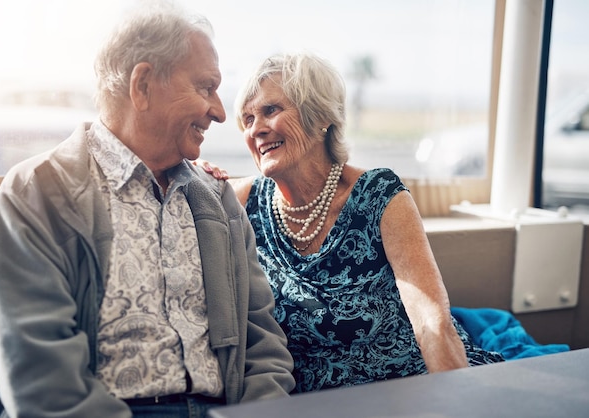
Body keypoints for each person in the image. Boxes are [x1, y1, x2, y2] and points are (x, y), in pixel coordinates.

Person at [0, 3, 295, 418]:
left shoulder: (219, 201)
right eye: (205, 87)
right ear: (142, 85)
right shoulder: (37, 194)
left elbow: (263, 348)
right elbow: (42, 382)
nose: (218, 110)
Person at [202, 52, 504, 393]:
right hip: (311, 403)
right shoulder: (240, 200)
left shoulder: (378, 194)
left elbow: (431, 320)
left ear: (320, 118)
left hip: (409, 383)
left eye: (271, 110)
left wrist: (457, 401)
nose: (256, 129)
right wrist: (197, 172)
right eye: (247, 119)